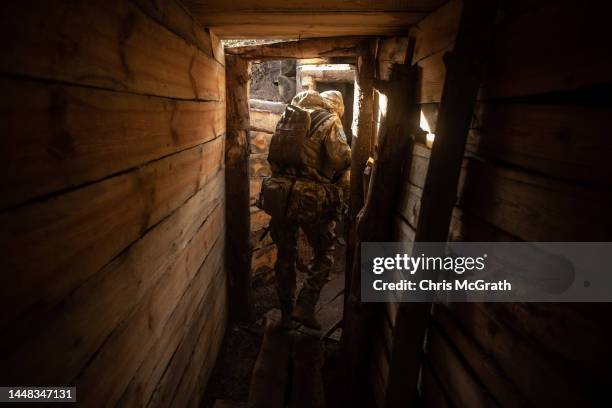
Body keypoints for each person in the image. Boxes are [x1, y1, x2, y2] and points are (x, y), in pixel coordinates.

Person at [260, 90, 351, 329]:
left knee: (285, 255)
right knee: (324, 252)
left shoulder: (289, 118)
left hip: (280, 197)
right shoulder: (331, 120)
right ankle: (306, 306)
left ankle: (287, 313)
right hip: (310, 199)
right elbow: (341, 159)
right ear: (337, 106)